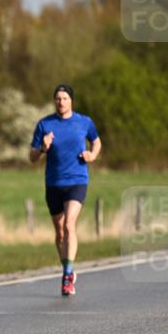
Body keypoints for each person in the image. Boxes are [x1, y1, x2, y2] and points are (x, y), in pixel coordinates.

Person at [29, 84, 101, 296]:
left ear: (71, 101)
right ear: (54, 101)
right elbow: (32, 157)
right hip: (53, 183)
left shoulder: (84, 122)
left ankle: (67, 276)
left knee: (70, 225)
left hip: (77, 180)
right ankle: (67, 268)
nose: (61, 102)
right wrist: (43, 148)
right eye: (58, 99)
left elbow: (96, 142)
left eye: (65, 98)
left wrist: (92, 155)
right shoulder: (44, 124)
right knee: (60, 232)